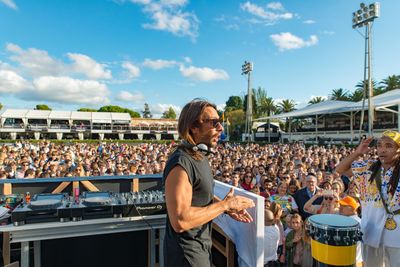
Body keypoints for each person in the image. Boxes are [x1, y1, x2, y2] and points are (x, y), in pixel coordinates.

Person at [163, 99, 255, 267]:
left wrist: (227, 207)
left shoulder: (200, 156)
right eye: (214, 123)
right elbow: (180, 221)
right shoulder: (181, 163)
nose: (220, 128)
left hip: (201, 247)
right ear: (193, 127)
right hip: (187, 255)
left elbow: (198, 196)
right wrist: (225, 206)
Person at [336, 131, 400, 267]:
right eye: (379, 145)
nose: (382, 149)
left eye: (389, 146)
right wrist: (357, 152)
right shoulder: (368, 167)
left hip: (397, 234)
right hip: (371, 229)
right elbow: (340, 169)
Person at [338, 196, 363, 267]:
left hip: (351, 263)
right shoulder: (359, 221)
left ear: (353, 208)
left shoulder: (354, 222)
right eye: (340, 205)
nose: (340, 207)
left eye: (344, 206)